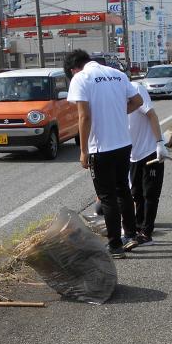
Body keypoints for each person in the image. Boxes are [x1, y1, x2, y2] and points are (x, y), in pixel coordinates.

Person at [64, 49, 144, 258]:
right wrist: (117, 111)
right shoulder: (117, 74)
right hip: (124, 143)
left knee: (108, 197)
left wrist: (83, 151)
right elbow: (137, 102)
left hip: (101, 148)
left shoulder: (81, 78)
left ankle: (115, 245)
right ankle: (132, 235)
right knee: (123, 191)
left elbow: (84, 117)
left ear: (73, 69)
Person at [127, 80, 170, 244]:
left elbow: (151, 114)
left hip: (150, 150)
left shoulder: (135, 89)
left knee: (150, 194)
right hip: (133, 154)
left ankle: (146, 232)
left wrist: (160, 143)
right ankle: (138, 228)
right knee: (136, 193)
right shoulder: (111, 97)